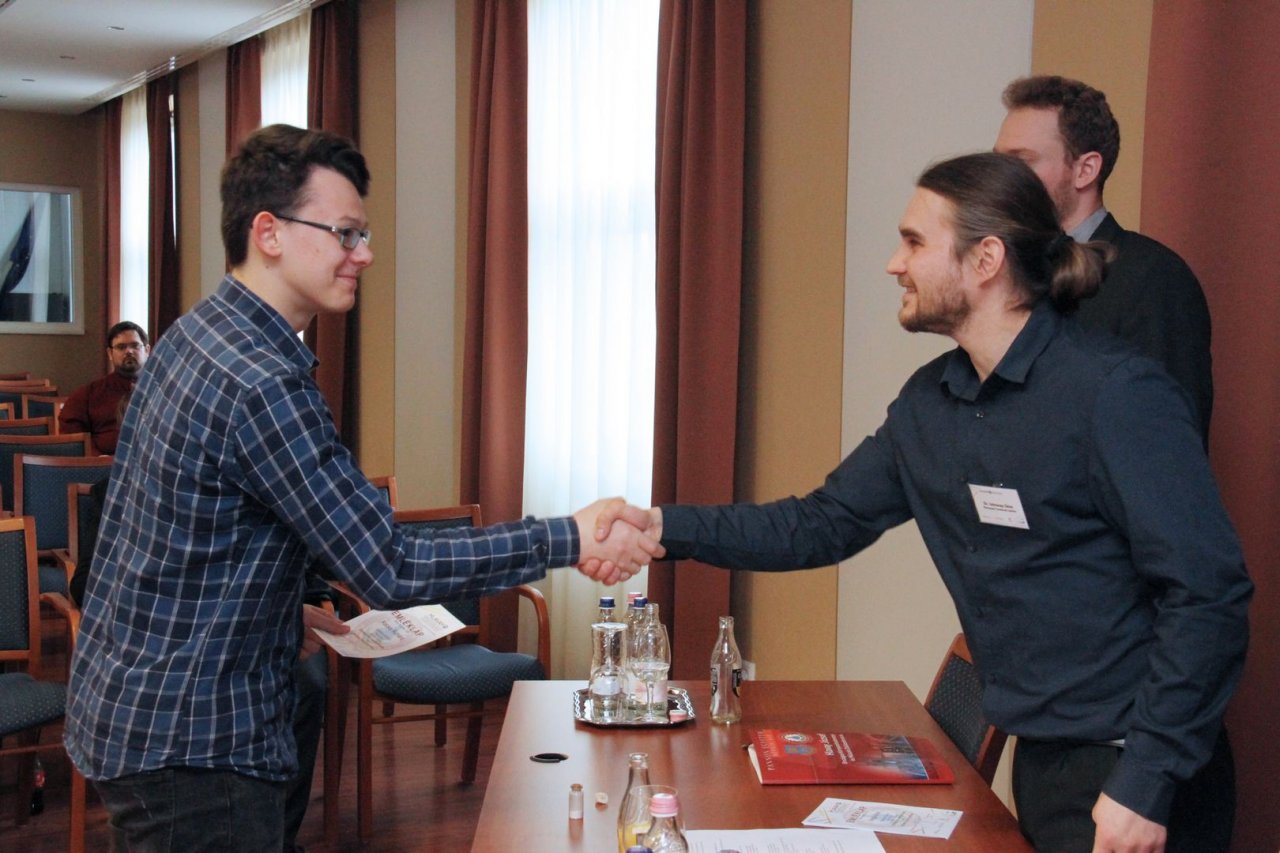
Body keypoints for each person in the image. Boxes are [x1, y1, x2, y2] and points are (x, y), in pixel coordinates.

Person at [603, 153, 1251, 852]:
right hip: (1045, 763)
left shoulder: (1115, 393)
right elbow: (818, 523)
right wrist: (660, 527)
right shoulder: (931, 404)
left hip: (1141, 770)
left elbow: (1209, 593)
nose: (894, 264)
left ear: (986, 260)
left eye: (914, 242)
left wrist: (1146, 780)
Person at [64, 124, 661, 853]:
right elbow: (390, 564)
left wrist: (272, 608)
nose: (365, 254)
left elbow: (164, 534)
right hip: (194, 737)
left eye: (364, 234)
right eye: (345, 233)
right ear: (269, 232)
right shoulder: (262, 381)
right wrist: (568, 535)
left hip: (137, 708)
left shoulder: (194, 336)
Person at [994, 75, 1214, 445]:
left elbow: (1168, 442)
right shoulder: (1006, 272)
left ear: (1086, 170)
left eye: (1022, 161)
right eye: (999, 161)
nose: (1002, 179)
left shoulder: (1154, 277)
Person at [58, 319, 149, 453]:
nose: (129, 351)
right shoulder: (88, 395)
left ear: (147, 350)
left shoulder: (167, 391)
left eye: (135, 346)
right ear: (110, 354)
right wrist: (96, 458)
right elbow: (72, 437)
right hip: (103, 463)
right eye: (121, 347)